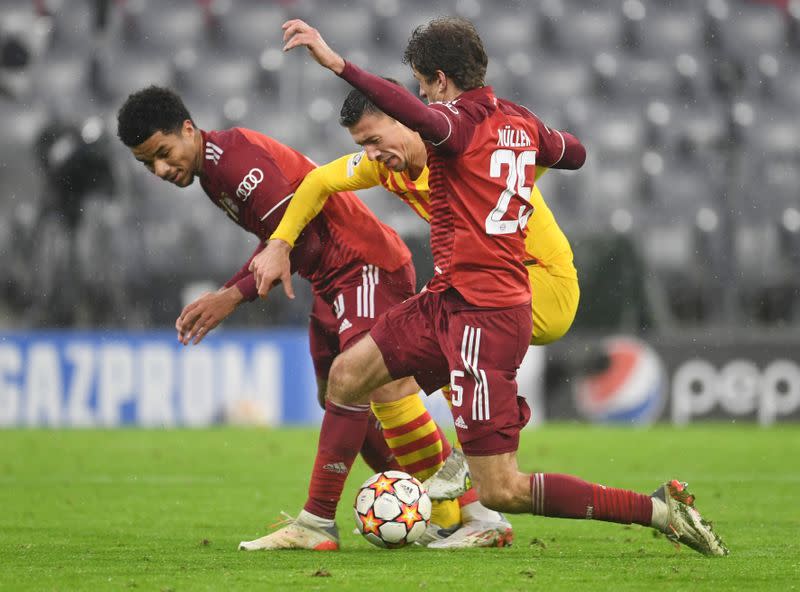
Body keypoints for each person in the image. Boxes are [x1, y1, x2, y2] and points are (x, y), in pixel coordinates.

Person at [278, 16, 729, 555]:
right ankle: (316, 523)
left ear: (440, 81)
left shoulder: (456, 127)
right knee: (354, 373)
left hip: (497, 305)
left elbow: (423, 117)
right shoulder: (515, 120)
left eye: (423, 86)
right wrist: (514, 165)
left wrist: (339, 65)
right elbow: (577, 153)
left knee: (505, 488)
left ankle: (656, 509)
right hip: (450, 297)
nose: (422, 98)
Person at [115, 85, 463, 551]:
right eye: (147, 163)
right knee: (335, 396)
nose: (160, 168)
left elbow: (302, 242)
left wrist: (229, 297)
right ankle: (425, 503)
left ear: (188, 130)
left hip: (362, 262)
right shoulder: (214, 170)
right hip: (332, 277)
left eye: (163, 152)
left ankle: (334, 522)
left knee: (358, 385)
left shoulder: (232, 163)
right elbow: (287, 237)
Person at [249, 85, 579, 547]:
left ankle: (470, 460)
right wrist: (281, 243)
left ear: (406, 118)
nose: (370, 154)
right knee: (387, 381)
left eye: (374, 139)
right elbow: (319, 181)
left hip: (538, 283)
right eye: (361, 145)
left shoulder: (462, 151)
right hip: (484, 285)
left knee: (436, 326)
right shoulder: (389, 165)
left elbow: (540, 157)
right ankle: (466, 516)